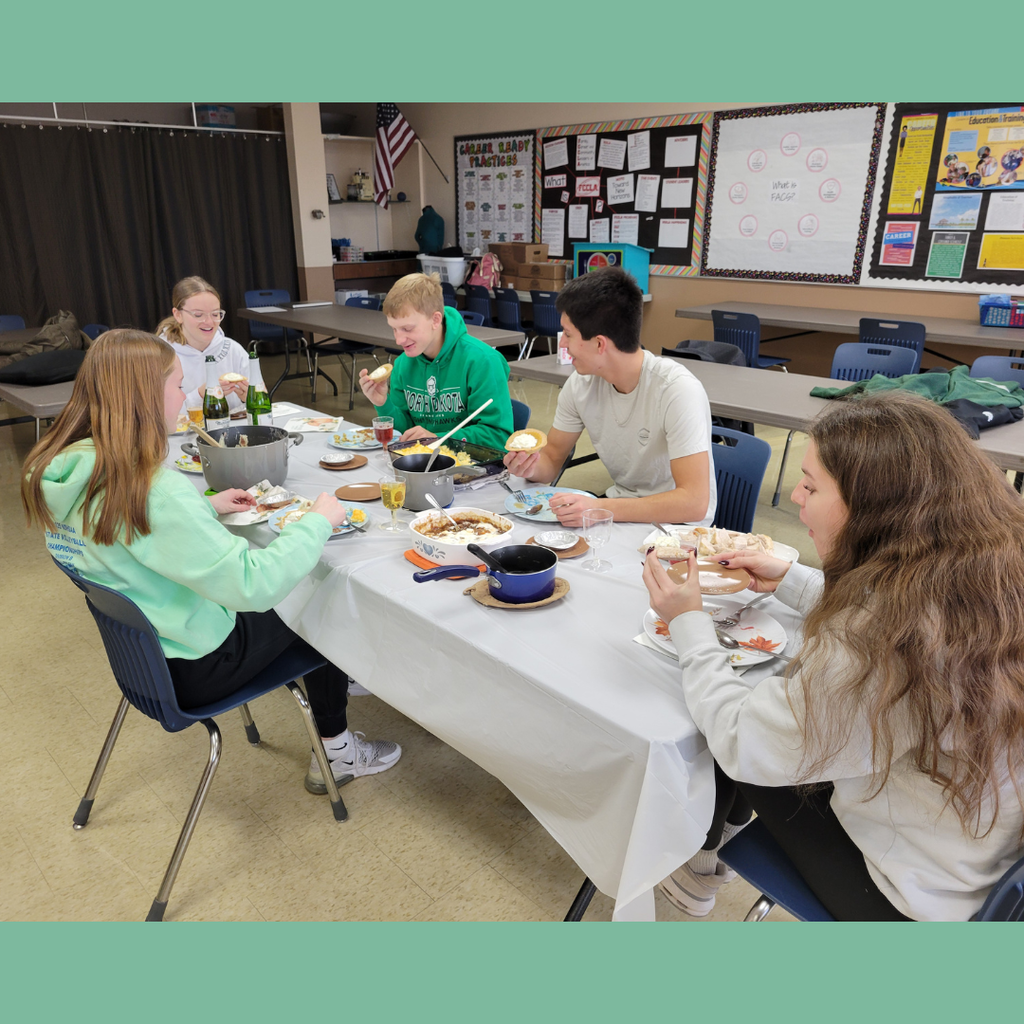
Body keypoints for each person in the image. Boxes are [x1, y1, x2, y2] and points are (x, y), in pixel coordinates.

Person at [643, 392, 1024, 921]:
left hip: (912, 899)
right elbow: (898, 610)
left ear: (874, 508)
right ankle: (714, 840)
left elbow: (744, 739)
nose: (796, 498)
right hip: (990, 860)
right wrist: (791, 581)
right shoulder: (990, 568)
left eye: (811, 484)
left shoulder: (879, 638)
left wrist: (688, 622)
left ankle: (697, 869)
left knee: (728, 718)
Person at [21, 331, 400, 794]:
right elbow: (251, 585)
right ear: (145, 395)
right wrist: (316, 522)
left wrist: (204, 508)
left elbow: (126, 537)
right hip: (197, 663)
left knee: (296, 583)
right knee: (321, 594)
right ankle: (338, 753)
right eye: (177, 385)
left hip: (145, 660)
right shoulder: (152, 489)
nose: (184, 396)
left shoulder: (63, 470)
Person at [503, 267, 716, 528]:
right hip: (619, 511)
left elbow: (693, 503)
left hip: (677, 527)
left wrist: (599, 508)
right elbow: (551, 459)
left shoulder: (677, 391)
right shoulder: (580, 384)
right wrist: (529, 466)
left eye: (568, 335)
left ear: (600, 344)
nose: (562, 346)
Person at [357, 272, 514, 450]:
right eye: (394, 329)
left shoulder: (482, 361)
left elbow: (498, 437)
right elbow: (406, 432)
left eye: (407, 328)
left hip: (473, 467)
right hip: (425, 464)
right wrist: (383, 403)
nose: (399, 340)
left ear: (435, 319)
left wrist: (437, 439)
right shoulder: (403, 364)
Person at [155, 276, 251, 418]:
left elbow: (261, 402)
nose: (209, 322)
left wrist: (249, 398)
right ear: (178, 315)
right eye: (198, 315)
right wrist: (200, 396)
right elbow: (155, 414)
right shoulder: (160, 355)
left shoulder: (233, 350)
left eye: (215, 314)